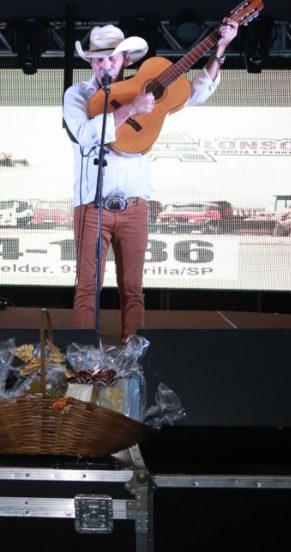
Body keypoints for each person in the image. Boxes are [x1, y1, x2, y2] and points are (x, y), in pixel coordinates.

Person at [63, 20, 238, 341]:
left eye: (111, 58)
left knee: (133, 289)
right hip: (91, 207)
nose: (105, 65)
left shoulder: (145, 88)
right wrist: (130, 109)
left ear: (125, 60)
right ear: (90, 61)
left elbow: (196, 92)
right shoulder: (78, 95)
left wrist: (220, 49)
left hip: (135, 207)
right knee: (88, 286)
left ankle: (133, 359)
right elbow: (86, 136)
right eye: (98, 59)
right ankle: (83, 359)